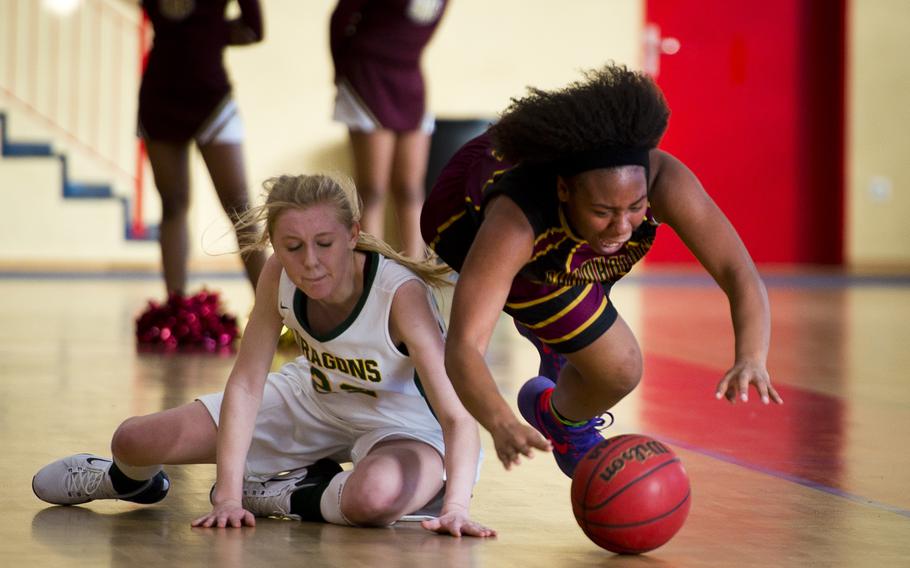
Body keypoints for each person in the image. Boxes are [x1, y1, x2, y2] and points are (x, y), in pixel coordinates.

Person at [33, 174, 495, 537]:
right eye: (293, 247)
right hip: (315, 399)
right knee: (134, 439)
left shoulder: (399, 294)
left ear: (353, 234)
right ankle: (125, 481)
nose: (310, 261)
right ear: (276, 245)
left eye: (324, 243)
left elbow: (457, 415)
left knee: (373, 499)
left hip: (406, 427)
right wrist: (227, 498)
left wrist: (457, 508)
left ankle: (291, 493)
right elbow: (247, 384)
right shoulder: (279, 275)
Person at [420, 63, 784, 478]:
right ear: (564, 190)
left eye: (636, 206)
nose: (622, 225)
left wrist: (752, 356)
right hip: (461, 221)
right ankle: (563, 415)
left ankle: (560, 362)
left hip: (558, 230)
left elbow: (739, 272)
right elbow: (465, 345)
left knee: (601, 253)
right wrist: (501, 422)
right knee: (621, 367)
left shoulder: (664, 180)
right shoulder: (516, 222)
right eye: (604, 210)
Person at [139, 0, 267, 296]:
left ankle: (273, 313)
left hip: (213, 101)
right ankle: (176, 307)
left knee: (241, 210)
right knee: (172, 205)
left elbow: (254, 29)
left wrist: (211, 33)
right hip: (160, 99)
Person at [330, 0, 447, 258]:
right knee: (373, 189)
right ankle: (374, 268)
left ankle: (417, 273)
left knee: (410, 188)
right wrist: (342, 73)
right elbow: (339, 20)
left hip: (408, 79)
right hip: (368, 75)